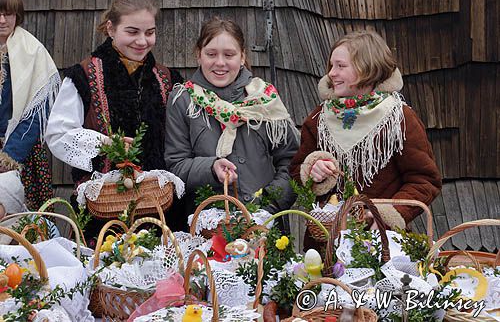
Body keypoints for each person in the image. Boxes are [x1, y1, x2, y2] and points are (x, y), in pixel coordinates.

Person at [46, 0, 181, 240]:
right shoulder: (84, 76)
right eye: (132, 32)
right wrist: (105, 144)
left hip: (160, 213)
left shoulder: (167, 79)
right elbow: (58, 134)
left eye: (149, 32)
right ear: (111, 29)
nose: (142, 41)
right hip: (101, 215)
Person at [289, 30, 442, 248]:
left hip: (384, 244)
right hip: (326, 244)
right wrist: (313, 170)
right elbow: (296, 173)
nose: (331, 73)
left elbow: (425, 181)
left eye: (341, 66)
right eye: (331, 66)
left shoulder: (398, 118)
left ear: (367, 68)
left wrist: (387, 216)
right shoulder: (319, 119)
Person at [164, 17, 299, 232]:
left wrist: (269, 205)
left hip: (267, 227)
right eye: (211, 54)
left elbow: (292, 162)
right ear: (198, 54)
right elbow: (175, 166)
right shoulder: (183, 100)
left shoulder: (265, 99)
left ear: (243, 56)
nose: (220, 62)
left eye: (229, 55)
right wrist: (211, 167)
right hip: (210, 229)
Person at [0, 0, 60, 211]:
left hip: (21, 151)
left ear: (18, 14)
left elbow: (39, 110)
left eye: (8, 13)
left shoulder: (33, 51)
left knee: (26, 228)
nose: (2, 20)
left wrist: (9, 157)